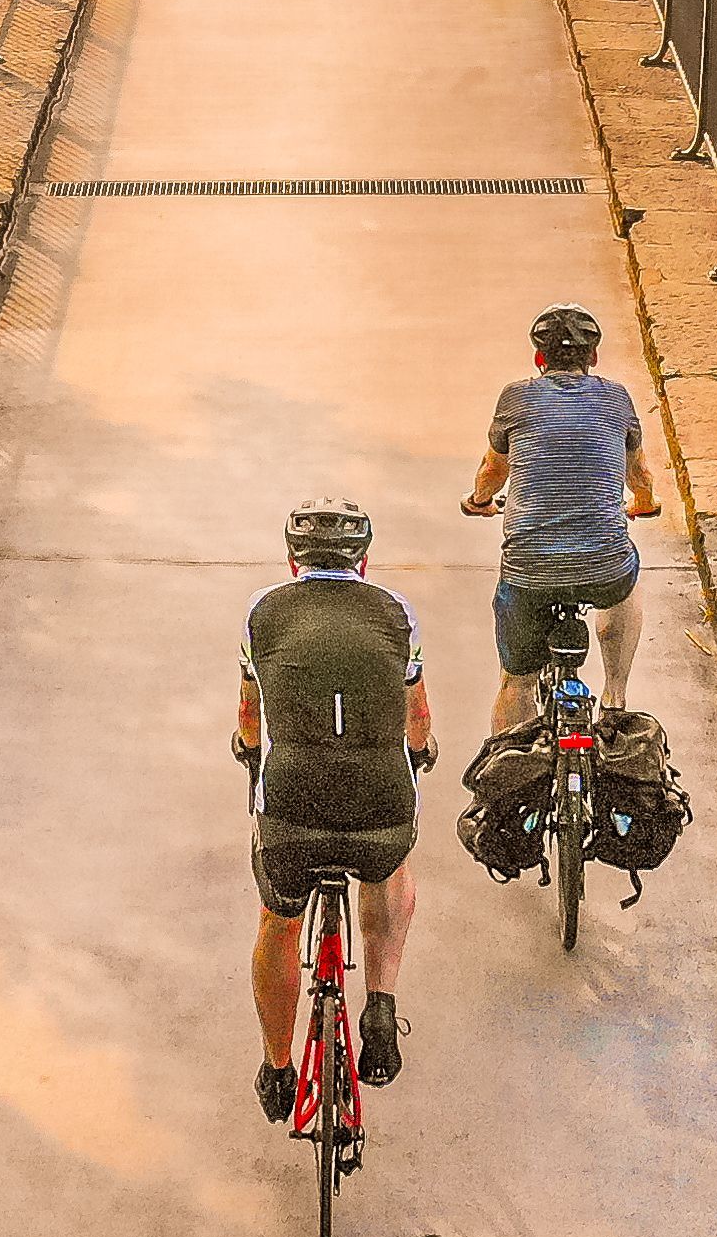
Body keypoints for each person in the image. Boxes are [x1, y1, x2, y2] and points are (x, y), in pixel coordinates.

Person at [237, 495, 432, 1120]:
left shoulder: (263, 613)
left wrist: (247, 751)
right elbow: (418, 720)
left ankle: (277, 1067)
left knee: (277, 922)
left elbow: (250, 717)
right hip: (379, 803)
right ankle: (380, 1000)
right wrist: (421, 753)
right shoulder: (396, 613)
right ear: (364, 561)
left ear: (293, 561)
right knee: (390, 872)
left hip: (291, 804)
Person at [463, 301, 659, 733]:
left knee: (515, 681)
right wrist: (643, 503)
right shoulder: (616, 398)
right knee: (626, 576)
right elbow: (639, 474)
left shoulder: (516, 398)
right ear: (593, 358)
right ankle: (615, 697)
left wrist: (479, 500)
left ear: (539, 359)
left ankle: (506, 772)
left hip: (528, 571)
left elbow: (494, 472)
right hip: (603, 568)